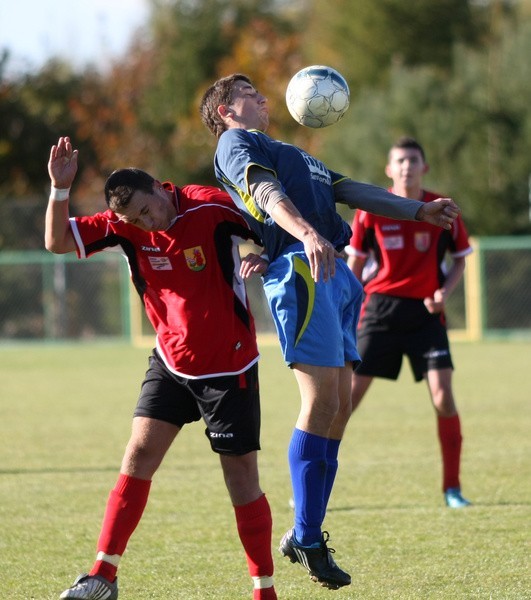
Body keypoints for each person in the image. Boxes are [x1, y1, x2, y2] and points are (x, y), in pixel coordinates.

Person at [199, 74, 461, 590]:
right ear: (227, 109)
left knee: (339, 407)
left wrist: (417, 210)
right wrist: (306, 233)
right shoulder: (236, 143)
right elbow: (262, 190)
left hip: (335, 274)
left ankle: (306, 533)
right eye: (251, 94)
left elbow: (350, 190)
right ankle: (308, 535)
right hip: (301, 266)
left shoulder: (291, 151)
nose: (264, 98)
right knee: (320, 403)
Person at [46, 136, 277, 600]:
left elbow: (272, 225)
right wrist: (59, 189)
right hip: (170, 362)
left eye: (149, 211)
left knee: (241, 481)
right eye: (136, 221)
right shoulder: (123, 226)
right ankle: (102, 576)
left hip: (229, 367)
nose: (149, 224)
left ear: (158, 187)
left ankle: (264, 591)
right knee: (137, 456)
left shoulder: (207, 206)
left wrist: (263, 252)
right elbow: (55, 242)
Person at [345, 136, 473, 508]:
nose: (406, 166)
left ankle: (452, 488)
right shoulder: (371, 209)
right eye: (399, 161)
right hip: (379, 312)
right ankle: (314, 488)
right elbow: (355, 263)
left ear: (424, 167)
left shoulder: (442, 208)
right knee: (343, 402)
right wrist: (346, 308)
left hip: (425, 315)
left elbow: (461, 258)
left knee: (443, 397)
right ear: (389, 169)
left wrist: (443, 294)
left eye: (413, 160)